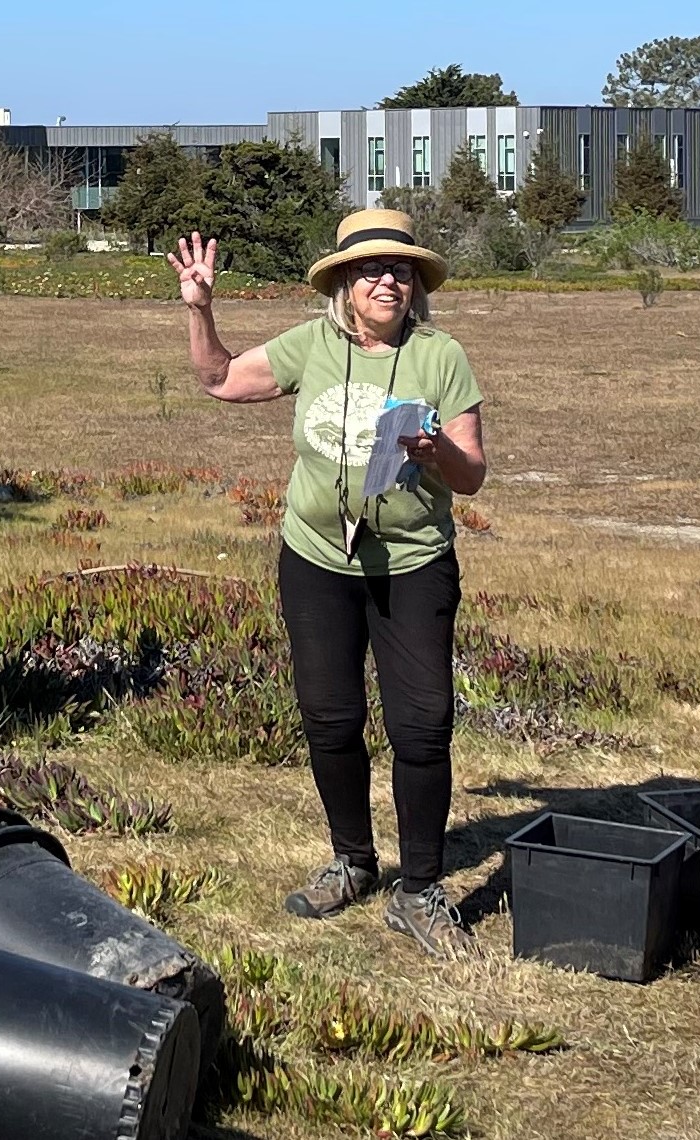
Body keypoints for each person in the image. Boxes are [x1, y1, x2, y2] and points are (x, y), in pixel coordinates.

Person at [168, 209, 487, 958]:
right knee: (331, 718)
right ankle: (352, 861)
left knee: (422, 724)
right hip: (316, 560)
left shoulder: (442, 358)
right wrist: (201, 309)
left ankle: (420, 892)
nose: (388, 279)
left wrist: (437, 451)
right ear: (343, 283)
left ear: (416, 285)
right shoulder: (311, 346)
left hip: (410, 564)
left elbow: (472, 477)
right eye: (372, 269)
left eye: (401, 269)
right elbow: (218, 379)